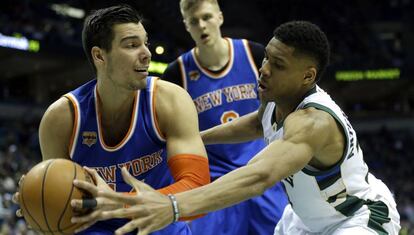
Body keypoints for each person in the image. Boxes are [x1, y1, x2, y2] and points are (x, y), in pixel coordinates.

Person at [87, 21, 401, 235]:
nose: (263, 70)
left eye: (278, 66)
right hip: (306, 222)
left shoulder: (312, 123)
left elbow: (259, 176)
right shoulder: (279, 99)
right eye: (266, 58)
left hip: (356, 219)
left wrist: (173, 206)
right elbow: (254, 123)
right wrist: (195, 140)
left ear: (308, 77)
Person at [13, 4, 210, 235]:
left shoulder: (169, 100)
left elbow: (196, 190)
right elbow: (62, 201)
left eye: (145, 43)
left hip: (158, 223)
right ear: (99, 55)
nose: (146, 52)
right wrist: (40, 199)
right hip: (95, 227)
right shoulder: (62, 118)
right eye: (132, 45)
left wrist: (118, 203)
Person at [161, 0, 287, 234]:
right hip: (215, 180)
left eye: (206, 17)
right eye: (193, 22)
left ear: (219, 16)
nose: (202, 26)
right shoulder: (176, 73)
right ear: (186, 26)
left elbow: (284, 104)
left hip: (262, 169)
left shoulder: (254, 54)